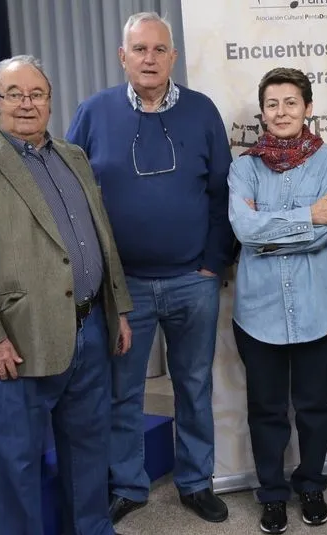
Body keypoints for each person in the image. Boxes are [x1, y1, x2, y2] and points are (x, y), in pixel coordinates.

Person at [0, 54, 133, 535]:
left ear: (49, 100)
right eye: (14, 94)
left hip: (88, 329)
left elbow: (100, 236)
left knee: (88, 452)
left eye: (37, 94)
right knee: (16, 466)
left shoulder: (73, 157)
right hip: (15, 343)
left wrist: (117, 308)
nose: (27, 104)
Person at [66, 11, 235, 525]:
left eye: (159, 49)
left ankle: (194, 480)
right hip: (124, 289)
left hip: (193, 281)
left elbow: (222, 193)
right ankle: (129, 485)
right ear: (123, 56)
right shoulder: (93, 113)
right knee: (124, 390)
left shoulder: (203, 111)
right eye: (139, 49)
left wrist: (212, 264)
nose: (149, 58)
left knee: (194, 384)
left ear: (173, 57)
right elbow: (74, 195)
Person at [227, 67, 327, 535]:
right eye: (273, 104)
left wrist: (271, 225)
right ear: (262, 113)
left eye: (291, 103)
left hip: (319, 309)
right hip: (258, 314)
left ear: (308, 109)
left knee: (315, 406)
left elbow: (322, 236)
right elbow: (244, 231)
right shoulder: (243, 167)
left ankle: (312, 485)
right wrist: (305, 215)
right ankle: (272, 494)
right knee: (267, 410)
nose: (282, 112)